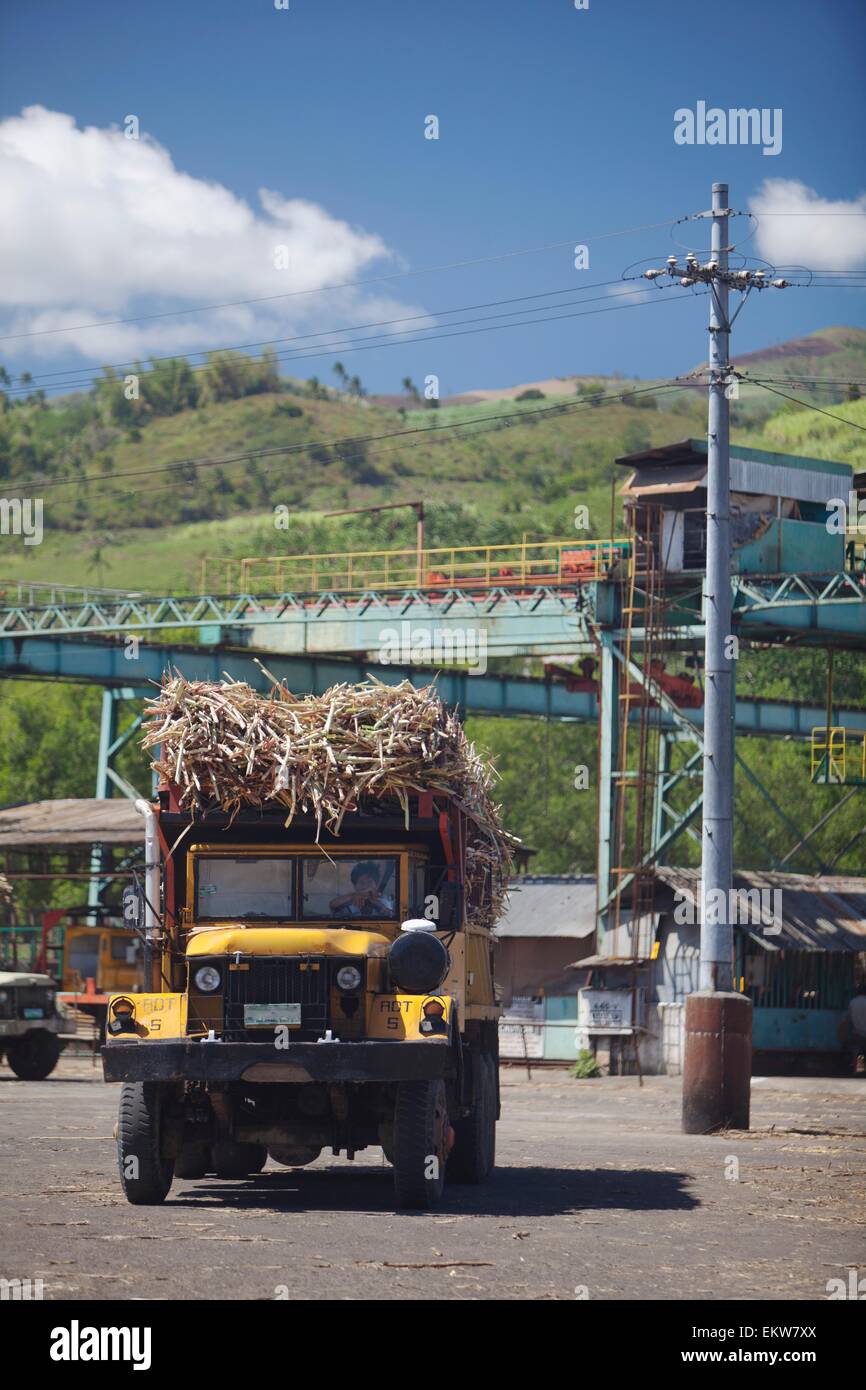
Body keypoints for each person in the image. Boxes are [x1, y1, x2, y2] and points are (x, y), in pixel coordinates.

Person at [329, 862, 394, 919]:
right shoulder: (350, 901)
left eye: (369, 882)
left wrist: (373, 901)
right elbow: (332, 905)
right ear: (355, 886)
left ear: (376, 885)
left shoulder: (384, 901)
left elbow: (390, 915)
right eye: (361, 883)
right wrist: (353, 896)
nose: (365, 886)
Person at [843, 982, 866, 1074]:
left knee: (855, 1051)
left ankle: (855, 1070)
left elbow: (848, 1018)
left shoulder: (853, 1002)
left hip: (856, 1032)